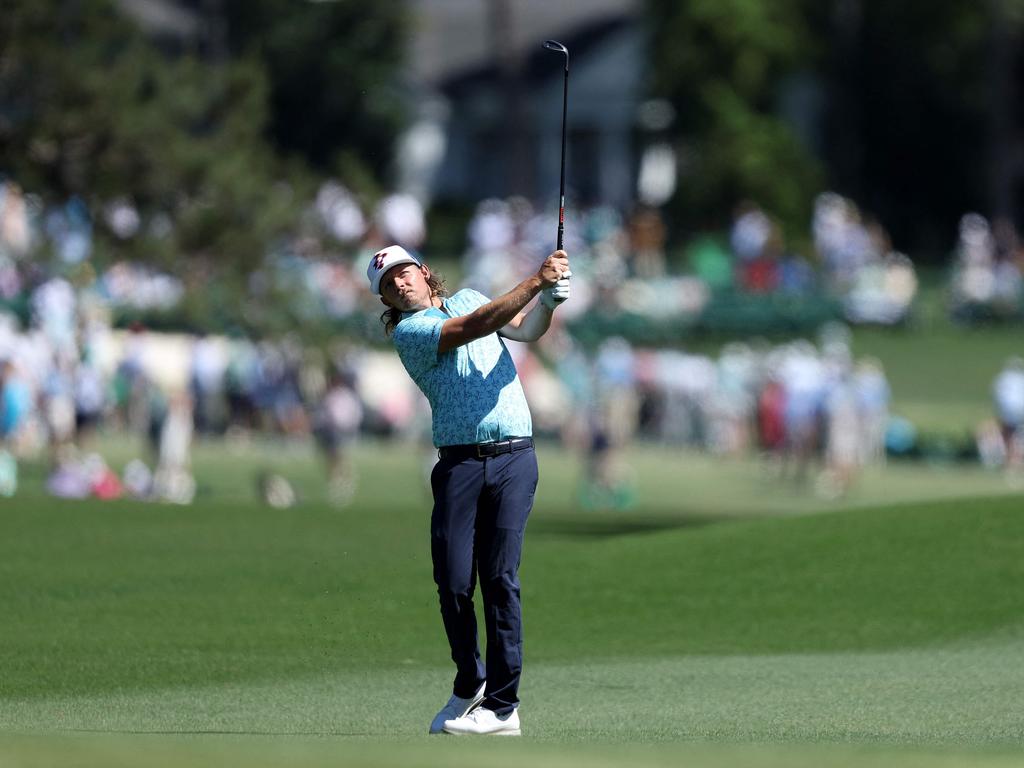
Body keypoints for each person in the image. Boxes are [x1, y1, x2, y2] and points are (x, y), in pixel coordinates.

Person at [367, 243, 570, 737]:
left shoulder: (472, 298)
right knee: (455, 582)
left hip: (515, 458)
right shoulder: (413, 333)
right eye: (388, 284)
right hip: (459, 464)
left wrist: (548, 304)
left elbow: (523, 330)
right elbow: (473, 327)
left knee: (500, 578)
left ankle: (503, 707)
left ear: (423, 271)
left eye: (403, 272)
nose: (399, 283)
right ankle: (470, 682)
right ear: (387, 303)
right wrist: (534, 282)